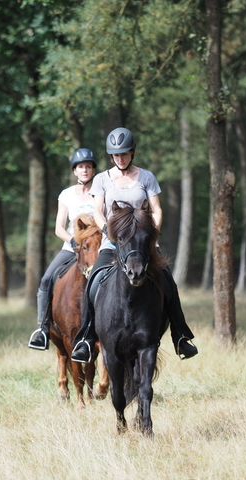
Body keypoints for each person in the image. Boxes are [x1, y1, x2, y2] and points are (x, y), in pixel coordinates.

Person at [71, 127, 198, 363]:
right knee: (93, 283)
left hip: (142, 243)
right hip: (113, 244)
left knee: (168, 282)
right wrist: (108, 231)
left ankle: (180, 335)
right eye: (117, 155)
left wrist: (152, 234)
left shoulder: (146, 177)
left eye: (125, 154)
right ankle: (86, 339)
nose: (121, 158)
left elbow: (157, 209)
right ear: (111, 157)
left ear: (133, 153)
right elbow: (98, 211)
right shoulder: (101, 180)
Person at [29, 148, 98, 350]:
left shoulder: (100, 193)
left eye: (88, 166)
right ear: (74, 171)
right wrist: (73, 241)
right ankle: (42, 328)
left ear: (93, 170)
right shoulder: (66, 195)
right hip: (72, 248)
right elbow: (59, 227)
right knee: (46, 279)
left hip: (96, 249)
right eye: (80, 167)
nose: (84, 170)